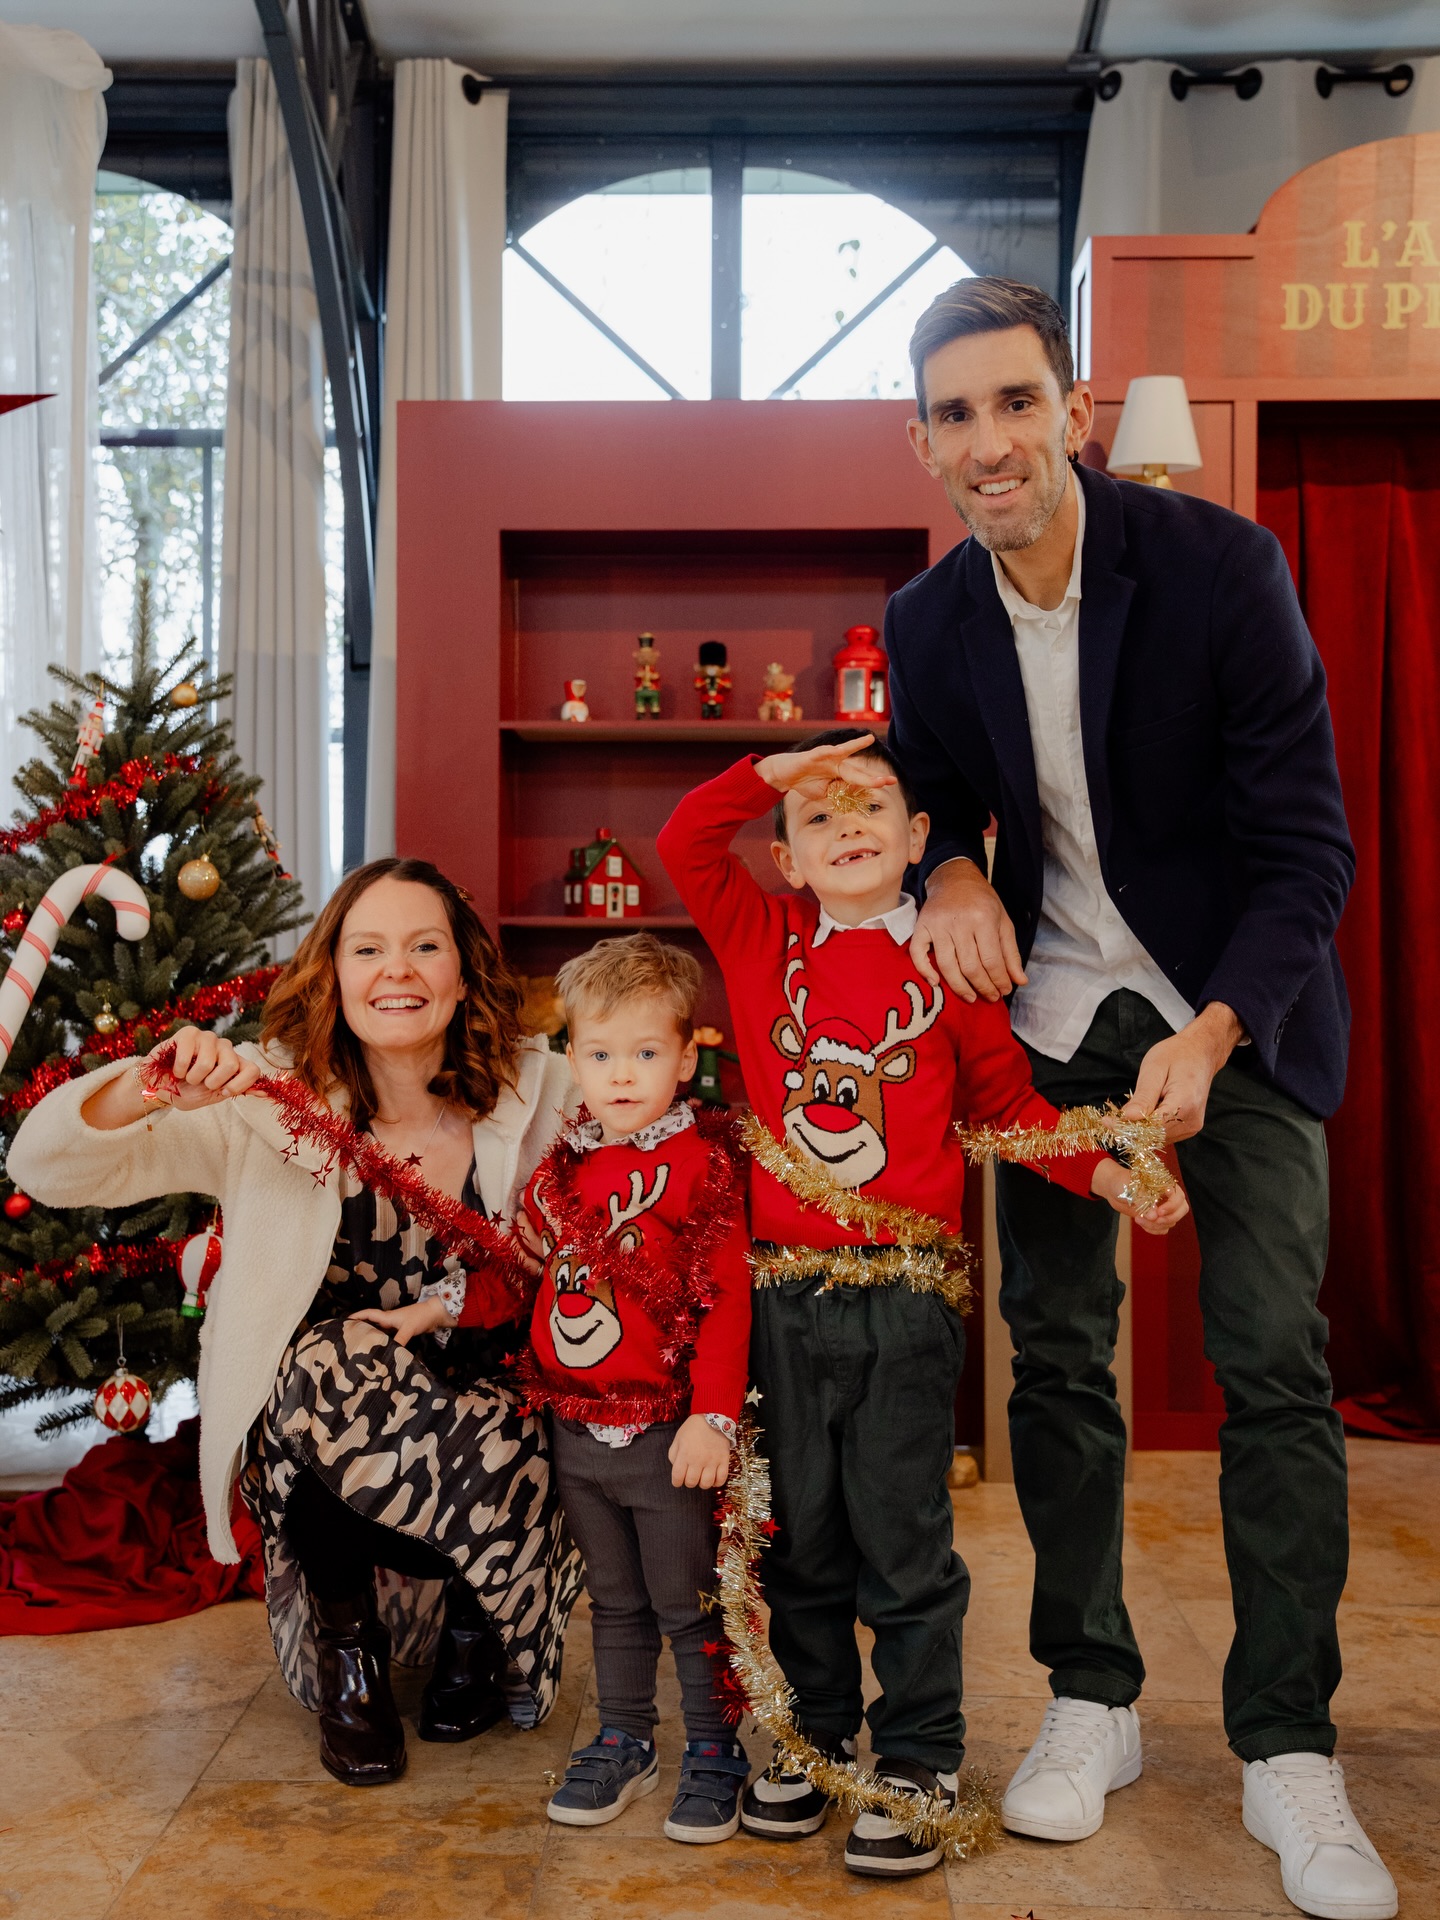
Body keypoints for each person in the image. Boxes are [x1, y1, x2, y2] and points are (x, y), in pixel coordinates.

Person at [888, 274, 1396, 1920]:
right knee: (1055, 1361)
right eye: (957, 414)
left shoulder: (1219, 571)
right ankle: (1091, 1697)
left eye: (1017, 402)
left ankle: (1285, 1743)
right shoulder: (931, 620)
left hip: (1227, 1006)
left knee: (1271, 1360)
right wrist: (952, 868)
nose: (992, 442)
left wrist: (1223, 1027)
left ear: (1075, 408)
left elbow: (1309, 844)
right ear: (925, 443)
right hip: (1049, 1017)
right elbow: (930, 786)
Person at [656, 733, 1185, 1880]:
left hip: (903, 1309)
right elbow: (683, 841)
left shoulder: (951, 971)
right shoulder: (760, 940)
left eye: (873, 808)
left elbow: (1004, 1111)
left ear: (915, 841)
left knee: (904, 1547)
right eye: (820, 817)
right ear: (789, 859)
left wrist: (1105, 1170)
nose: (847, 823)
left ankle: (918, 1755)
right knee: (798, 1540)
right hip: (782, 1303)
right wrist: (775, 775)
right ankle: (806, 1738)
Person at [9, 857, 582, 1788]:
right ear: (335, 974)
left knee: (517, 1397)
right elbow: (47, 1166)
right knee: (330, 1353)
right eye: (369, 949)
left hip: (497, 1431)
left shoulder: (547, 1091)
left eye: (424, 946)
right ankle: (347, 1654)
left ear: (466, 971)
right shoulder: (266, 1098)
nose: (397, 971)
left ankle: (478, 1628)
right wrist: (152, 1086)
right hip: (323, 1458)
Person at [386, 932, 755, 1844]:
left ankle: (716, 1748)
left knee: (687, 1601)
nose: (621, 1075)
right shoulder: (565, 1170)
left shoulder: (702, 1169)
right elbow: (519, 1274)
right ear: (571, 1058)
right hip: (576, 1431)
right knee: (614, 1600)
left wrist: (712, 1416)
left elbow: (727, 1298)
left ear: (686, 1052)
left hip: (670, 1434)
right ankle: (626, 1736)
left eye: (645, 1053)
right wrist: (435, 1311)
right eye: (599, 1054)